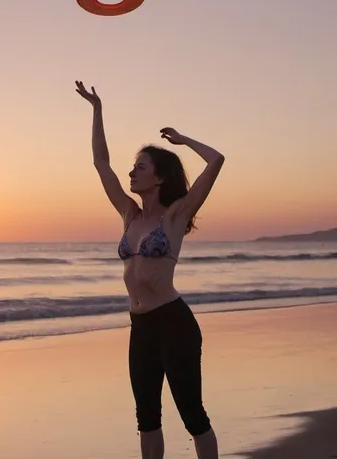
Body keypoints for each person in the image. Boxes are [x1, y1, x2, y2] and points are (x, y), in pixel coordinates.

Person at [75, 80, 225, 459]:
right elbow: (100, 163)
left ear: (158, 177)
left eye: (139, 167)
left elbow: (216, 160)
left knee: (193, 415)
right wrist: (97, 110)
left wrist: (184, 140)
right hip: (139, 327)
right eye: (133, 167)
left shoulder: (176, 216)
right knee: (147, 418)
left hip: (174, 324)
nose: (131, 173)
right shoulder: (129, 214)